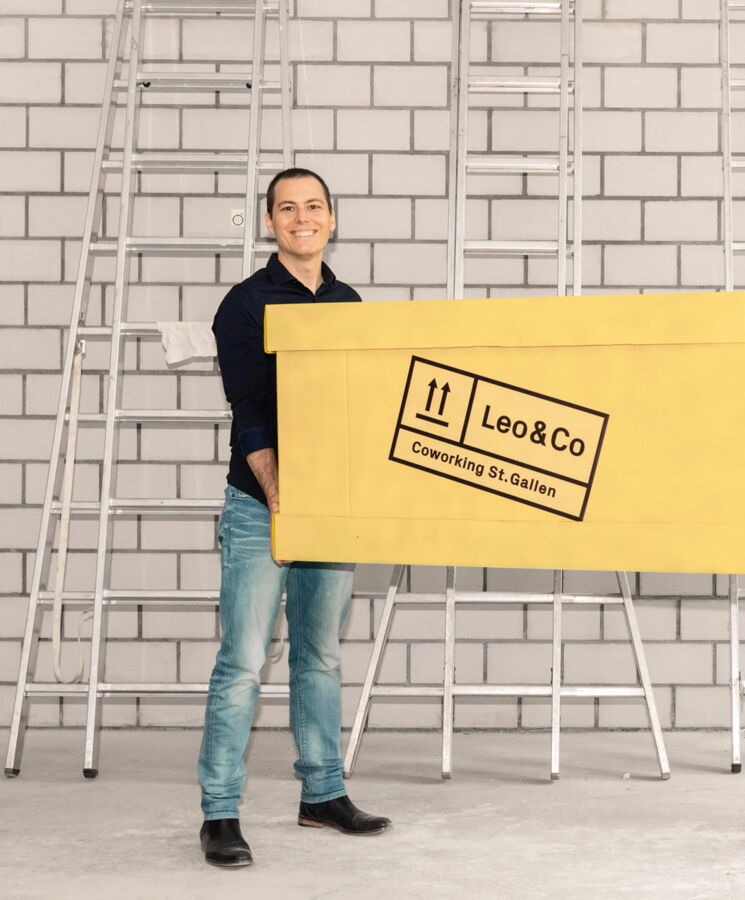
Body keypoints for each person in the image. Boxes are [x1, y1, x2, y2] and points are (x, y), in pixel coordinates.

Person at [198, 168, 390, 868]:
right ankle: (220, 812)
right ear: (270, 222)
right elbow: (249, 410)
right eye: (287, 208)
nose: (301, 217)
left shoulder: (347, 303)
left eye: (313, 206)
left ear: (331, 219)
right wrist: (279, 494)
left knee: (320, 656)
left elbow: (358, 408)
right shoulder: (245, 304)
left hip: (328, 508)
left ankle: (323, 794)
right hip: (261, 506)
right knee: (243, 662)